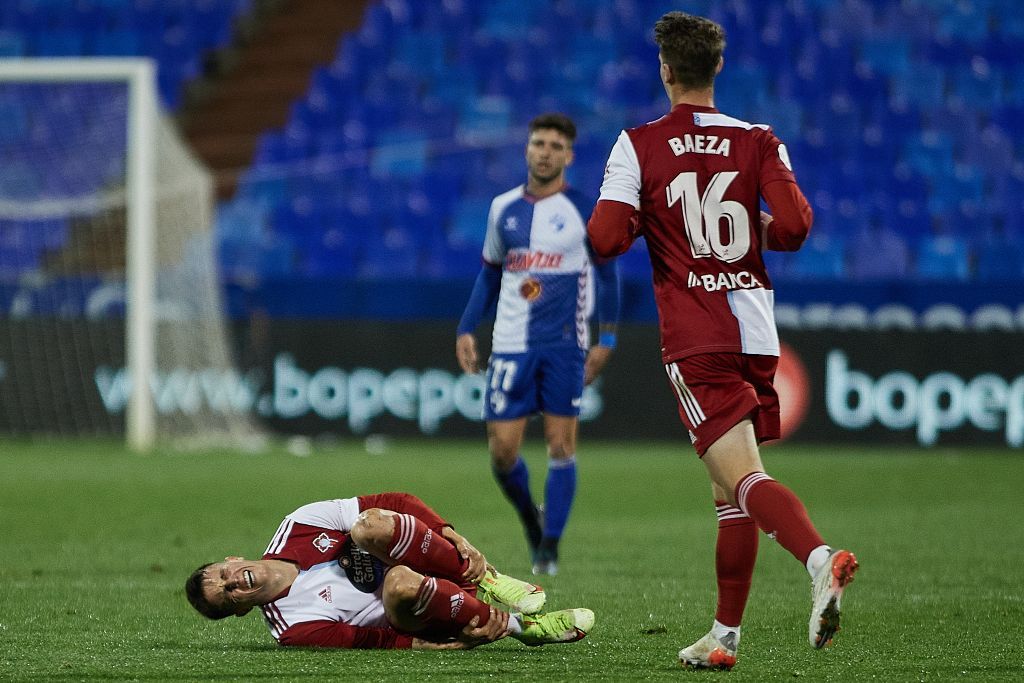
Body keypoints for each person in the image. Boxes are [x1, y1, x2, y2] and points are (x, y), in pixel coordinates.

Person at [587, 12, 858, 670]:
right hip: (755, 331)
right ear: (718, 70)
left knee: (742, 479)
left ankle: (819, 558)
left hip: (697, 333)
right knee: (725, 488)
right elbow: (794, 226)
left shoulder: (638, 144)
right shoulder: (760, 139)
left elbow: (604, 238)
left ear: (666, 71)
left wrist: (651, 218)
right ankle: (724, 635)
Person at [456, 113, 621, 576]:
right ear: (527, 150)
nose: (545, 151)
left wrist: (606, 336)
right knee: (502, 451)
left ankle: (548, 547)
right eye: (538, 143)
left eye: (555, 145)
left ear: (568, 155)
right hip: (509, 345)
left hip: (566, 345)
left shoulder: (584, 210)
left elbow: (608, 275)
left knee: (560, 444)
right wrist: (467, 327)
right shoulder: (502, 209)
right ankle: (532, 519)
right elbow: (489, 273)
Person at [185, 492, 594, 650]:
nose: (234, 582)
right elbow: (369, 639)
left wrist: (451, 534)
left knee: (368, 525)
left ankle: (486, 578)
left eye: (224, 574)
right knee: (397, 582)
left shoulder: (298, 524)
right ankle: (522, 628)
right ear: (240, 611)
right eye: (229, 595)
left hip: (431, 558)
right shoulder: (293, 628)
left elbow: (392, 498)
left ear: (232, 559)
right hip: (416, 612)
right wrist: (430, 645)